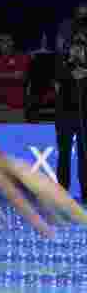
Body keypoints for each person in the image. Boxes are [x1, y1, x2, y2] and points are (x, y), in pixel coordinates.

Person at [54, 22, 87, 198]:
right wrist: (70, 69)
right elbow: (57, 84)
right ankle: (62, 193)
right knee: (64, 154)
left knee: (85, 156)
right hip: (64, 117)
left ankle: (86, 193)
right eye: (75, 46)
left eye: (82, 46)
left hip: (84, 118)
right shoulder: (62, 63)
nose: (78, 50)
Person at [0, 31, 31, 122]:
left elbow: (21, 76)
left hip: (17, 106)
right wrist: (12, 75)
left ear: (13, 42)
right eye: (1, 40)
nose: (4, 43)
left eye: (7, 40)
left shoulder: (22, 57)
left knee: (16, 134)